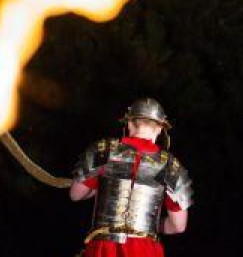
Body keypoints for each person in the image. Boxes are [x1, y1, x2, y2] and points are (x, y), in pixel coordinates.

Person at [69, 98, 194, 257]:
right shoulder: (171, 167)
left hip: (104, 248)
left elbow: (75, 194)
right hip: (145, 250)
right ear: (160, 128)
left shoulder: (103, 152)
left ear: (129, 124)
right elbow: (178, 226)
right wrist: (151, 225)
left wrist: (100, 184)